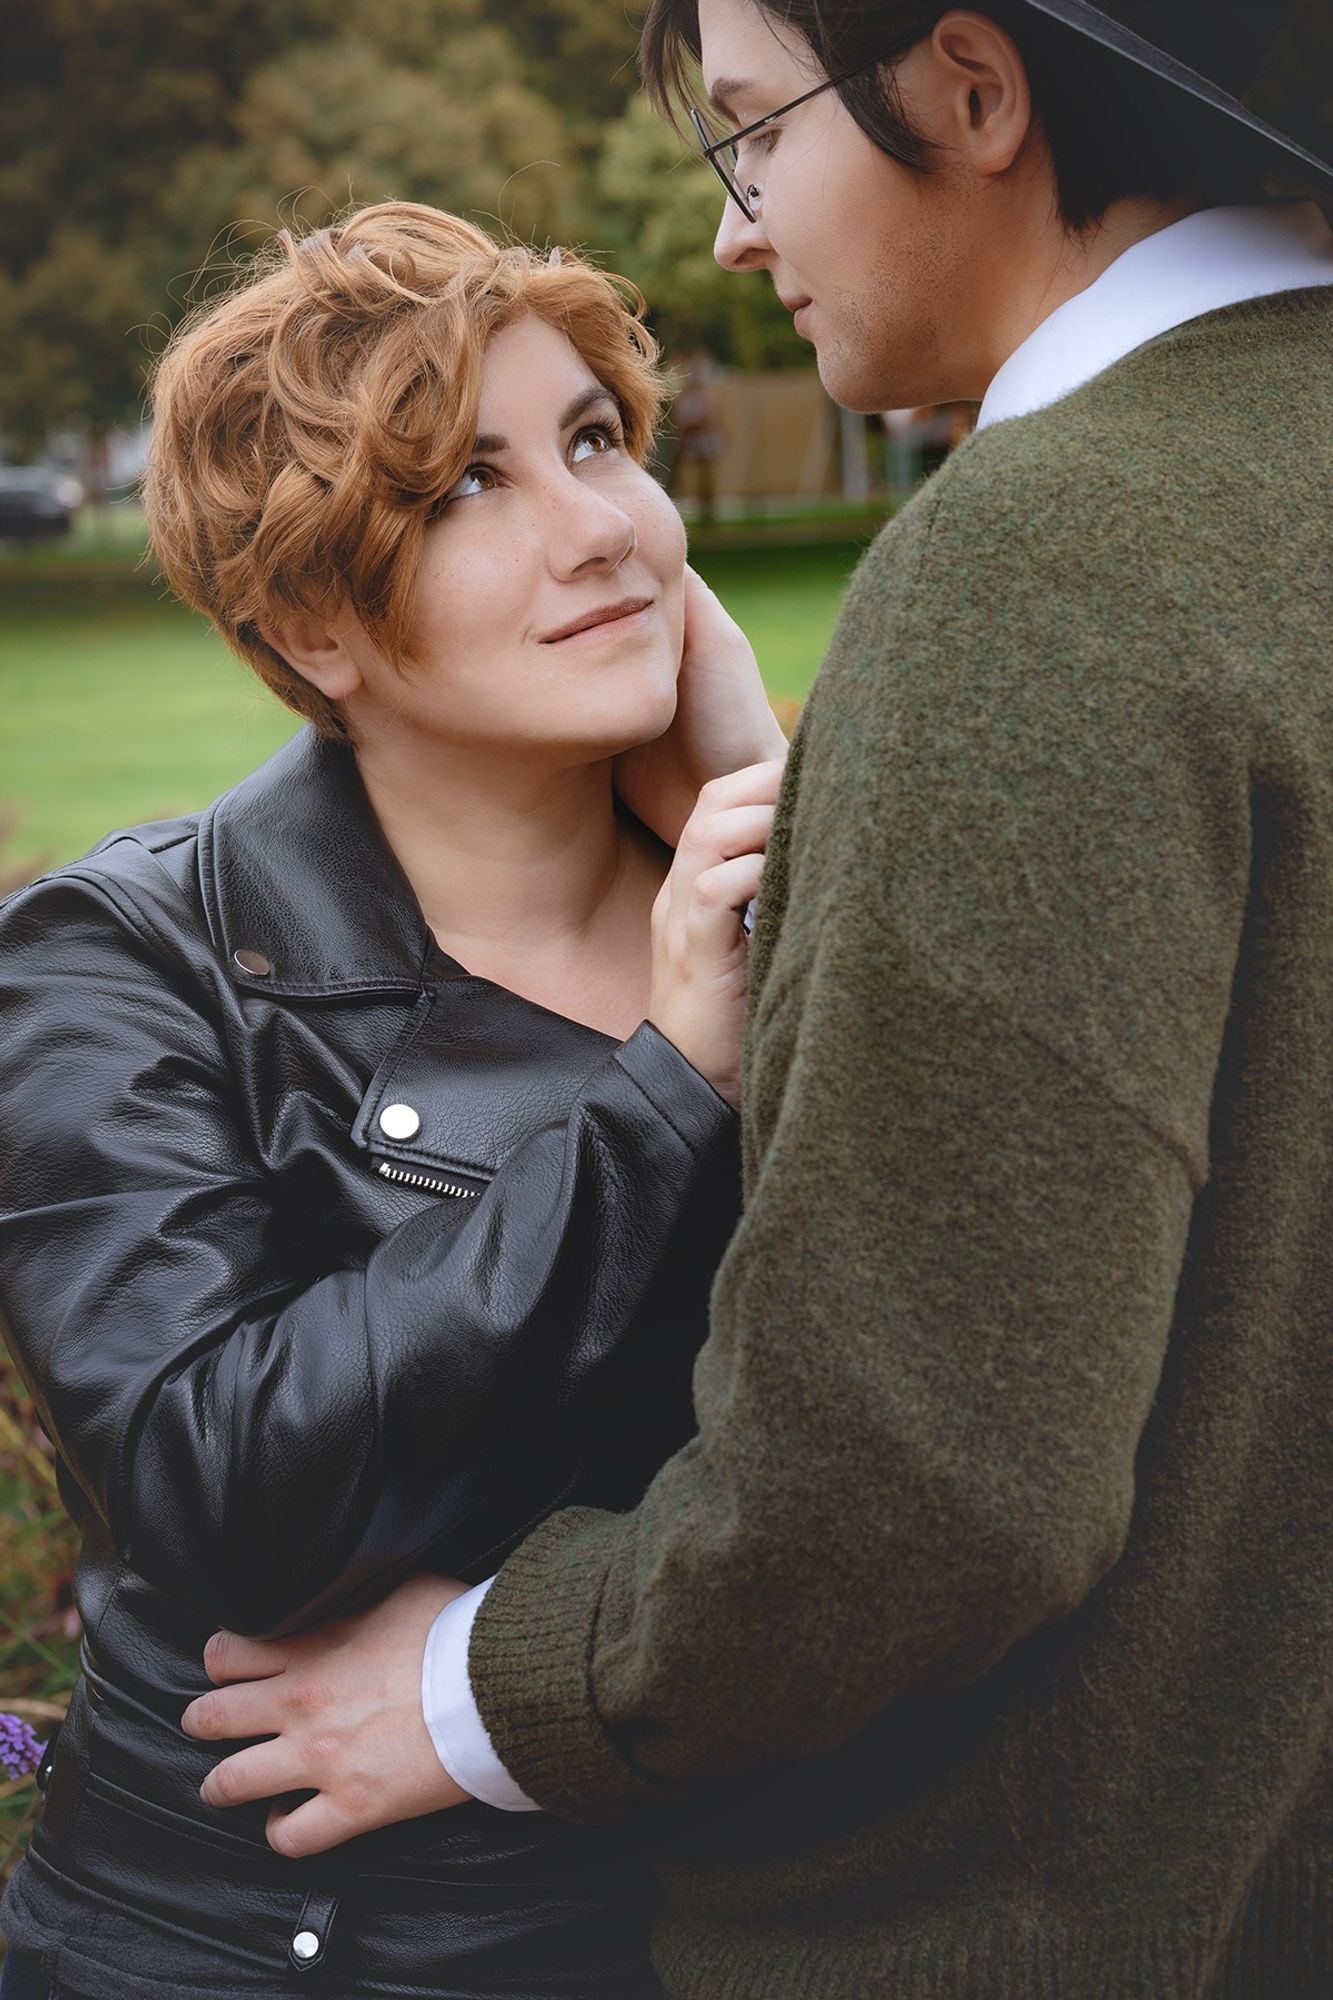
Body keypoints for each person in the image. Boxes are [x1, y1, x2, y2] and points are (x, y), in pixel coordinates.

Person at [169, 4, 1333, 1994]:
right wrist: (796, 802)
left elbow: (923, 1496)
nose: (729, 232)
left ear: (970, 89)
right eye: (456, 483)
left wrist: (465, 1687)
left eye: (750, 134)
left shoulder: (1042, 564)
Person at [0, 200, 787, 1999]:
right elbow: (222, 1495)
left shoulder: (795, 888)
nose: (602, 529)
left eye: (595, 441)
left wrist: (775, 813)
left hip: (746, 1930)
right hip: (268, 1950)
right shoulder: (124, 961)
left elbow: (957, 1443)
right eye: (465, 491)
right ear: (316, 626)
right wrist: (668, 1092)